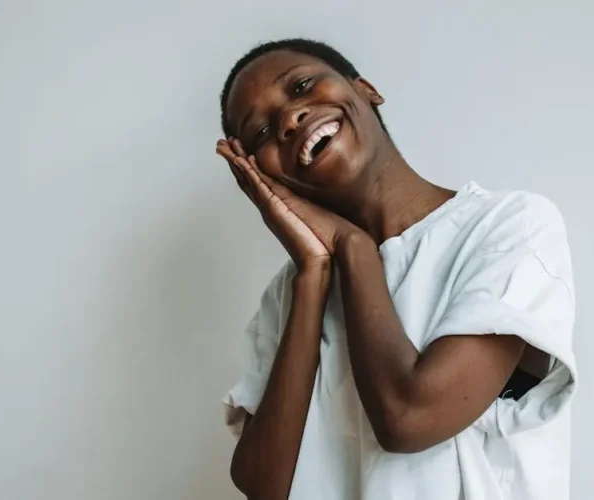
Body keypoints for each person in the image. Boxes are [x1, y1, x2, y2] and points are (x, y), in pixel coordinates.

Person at [216, 38, 576, 500]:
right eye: (261, 133)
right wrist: (314, 274)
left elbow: (409, 419)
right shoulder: (287, 296)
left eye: (302, 85)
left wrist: (355, 246)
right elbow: (265, 487)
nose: (288, 119)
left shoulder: (506, 226)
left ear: (366, 90)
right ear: (258, 174)